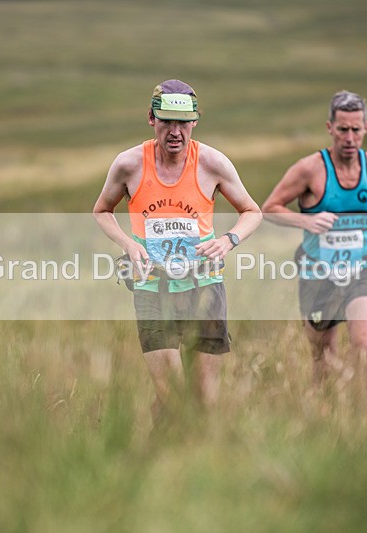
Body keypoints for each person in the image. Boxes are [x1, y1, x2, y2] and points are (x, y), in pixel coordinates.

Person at [93, 79, 262, 419]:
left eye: (183, 122)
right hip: (152, 288)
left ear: (194, 122)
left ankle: (186, 459)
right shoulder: (129, 164)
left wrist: (228, 240)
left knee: (204, 403)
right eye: (167, 120)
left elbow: (252, 211)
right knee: (172, 398)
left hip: (204, 288)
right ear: (151, 119)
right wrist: (128, 244)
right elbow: (102, 211)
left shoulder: (212, 163)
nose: (175, 131)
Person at [262, 90, 367, 384]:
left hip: (362, 268)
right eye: (342, 130)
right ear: (330, 128)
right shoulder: (309, 169)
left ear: (366, 127)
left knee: (365, 348)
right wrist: (307, 219)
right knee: (324, 358)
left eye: (355, 129)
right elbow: (269, 208)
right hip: (318, 272)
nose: (349, 138)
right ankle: (329, 415)